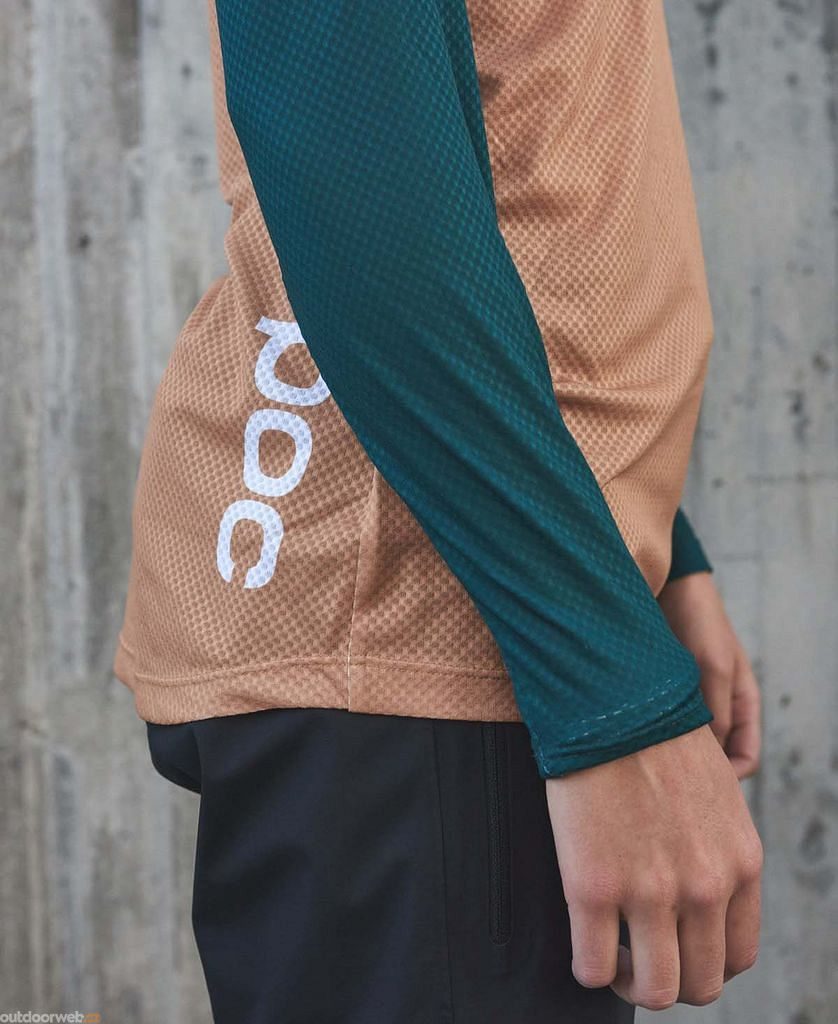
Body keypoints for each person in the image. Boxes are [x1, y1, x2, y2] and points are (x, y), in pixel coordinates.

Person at [114, 0, 763, 1020]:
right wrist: (610, 689)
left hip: (473, 607)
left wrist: (655, 546)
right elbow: (367, 202)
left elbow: (531, 132)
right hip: (414, 623)